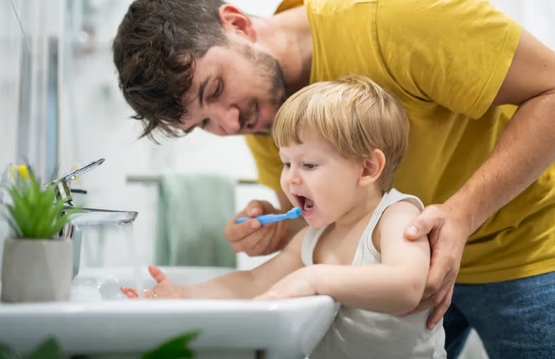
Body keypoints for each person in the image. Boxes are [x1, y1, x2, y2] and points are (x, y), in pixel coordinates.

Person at [112, 0, 555, 357]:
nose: (229, 125)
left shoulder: (401, 19)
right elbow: (325, 222)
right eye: (204, 123)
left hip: (525, 248)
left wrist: (462, 215)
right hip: (405, 281)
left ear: (238, 24)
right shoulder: (264, 116)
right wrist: (281, 224)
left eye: (215, 90)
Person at [121, 76, 447, 358]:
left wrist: (313, 278)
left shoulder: (396, 217)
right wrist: (183, 295)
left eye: (308, 165)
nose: (290, 178)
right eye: (286, 163)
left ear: (367, 168)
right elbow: (252, 283)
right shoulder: (314, 237)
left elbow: (409, 286)